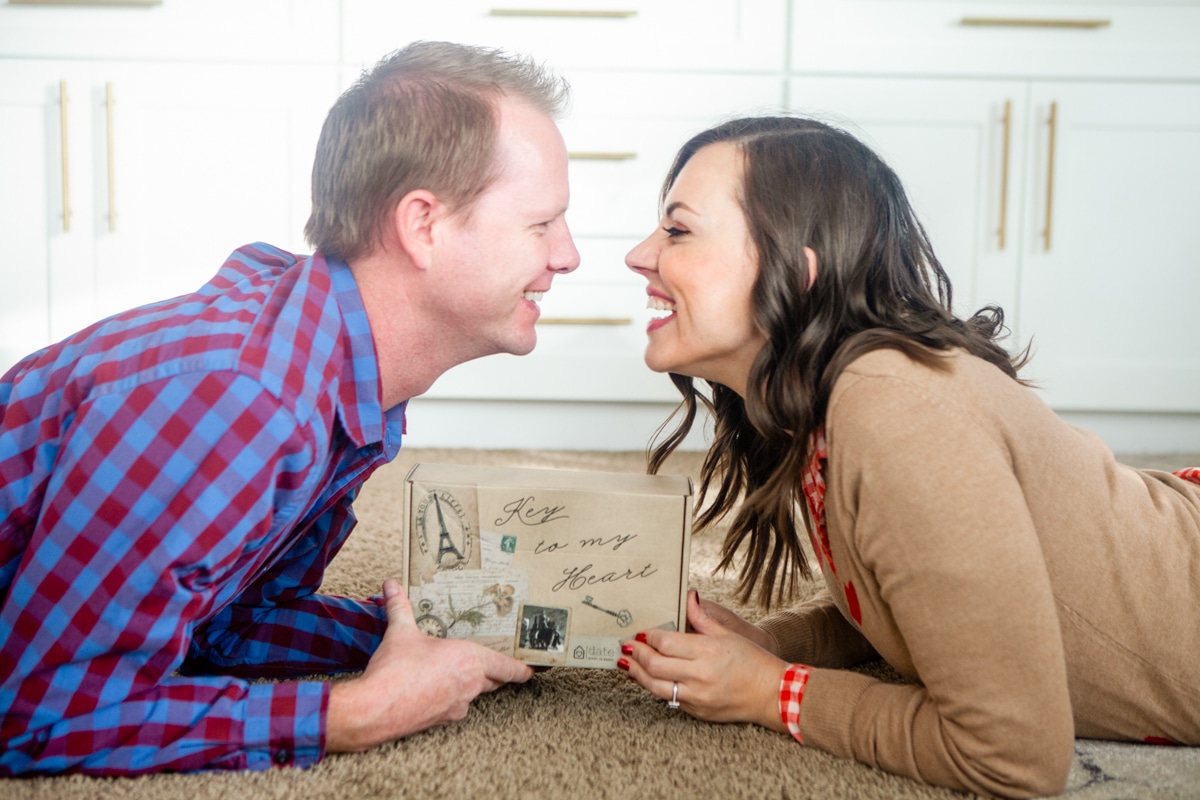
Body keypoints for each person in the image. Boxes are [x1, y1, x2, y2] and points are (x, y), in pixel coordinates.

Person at [0, 40, 580, 775]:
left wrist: (418, 632)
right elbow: (40, 708)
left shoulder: (335, 365)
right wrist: (361, 713)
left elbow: (221, 620)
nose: (568, 255)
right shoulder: (244, 400)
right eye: (542, 223)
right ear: (422, 225)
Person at [616, 116, 1200, 798]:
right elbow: (929, 605)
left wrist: (773, 693)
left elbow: (1014, 754)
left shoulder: (895, 410)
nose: (639, 254)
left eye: (678, 230)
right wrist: (775, 644)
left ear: (796, 273)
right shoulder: (832, 403)